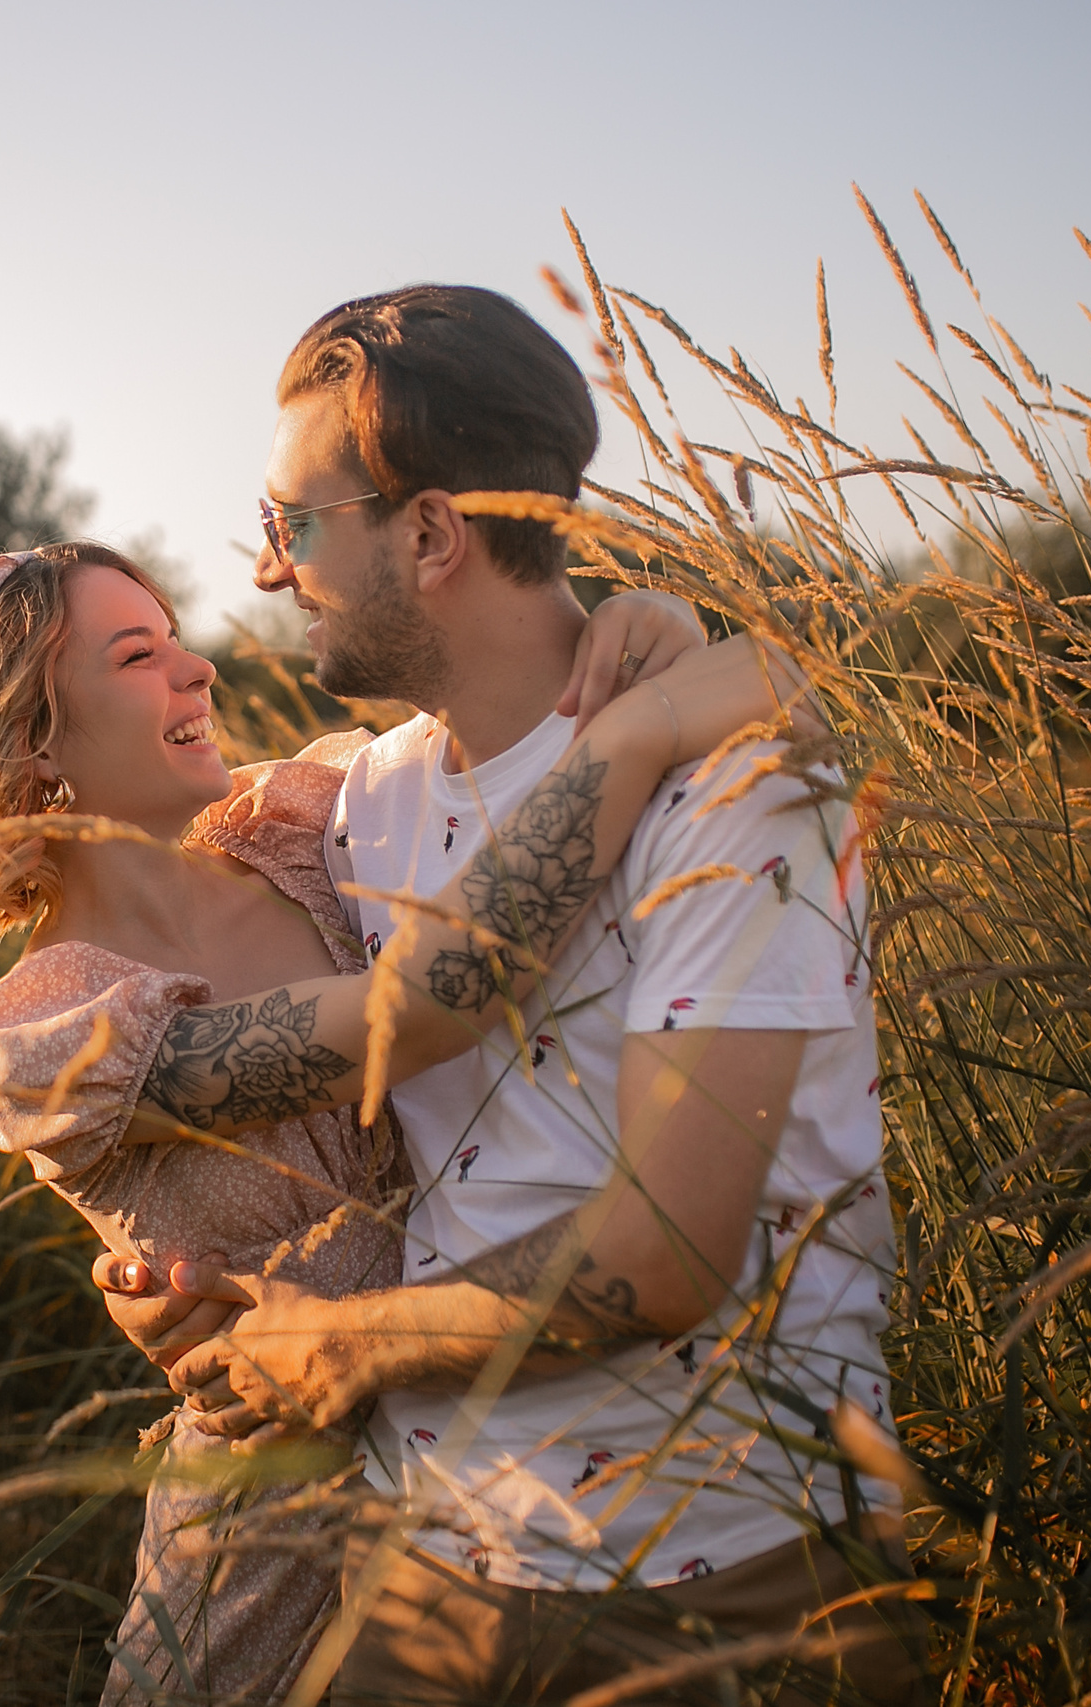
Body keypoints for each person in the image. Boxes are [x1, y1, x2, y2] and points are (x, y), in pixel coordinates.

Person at [98, 285, 920, 1704]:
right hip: (443, 1542)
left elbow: (659, 1255)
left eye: (293, 521)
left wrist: (336, 1346)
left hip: (721, 1561)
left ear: (428, 534)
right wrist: (172, 1273)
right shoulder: (363, 801)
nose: (270, 567)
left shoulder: (743, 788)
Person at [0, 531, 792, 1704]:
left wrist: (643, 634)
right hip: (279, 1510)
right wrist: (640, 728)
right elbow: (424, 1010)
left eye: (179, 638)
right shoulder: (45, 1037)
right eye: (138, 655)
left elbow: (521, 747)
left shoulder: (300, 828)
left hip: (497, 1415)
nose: (198, 670)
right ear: (33, 737)